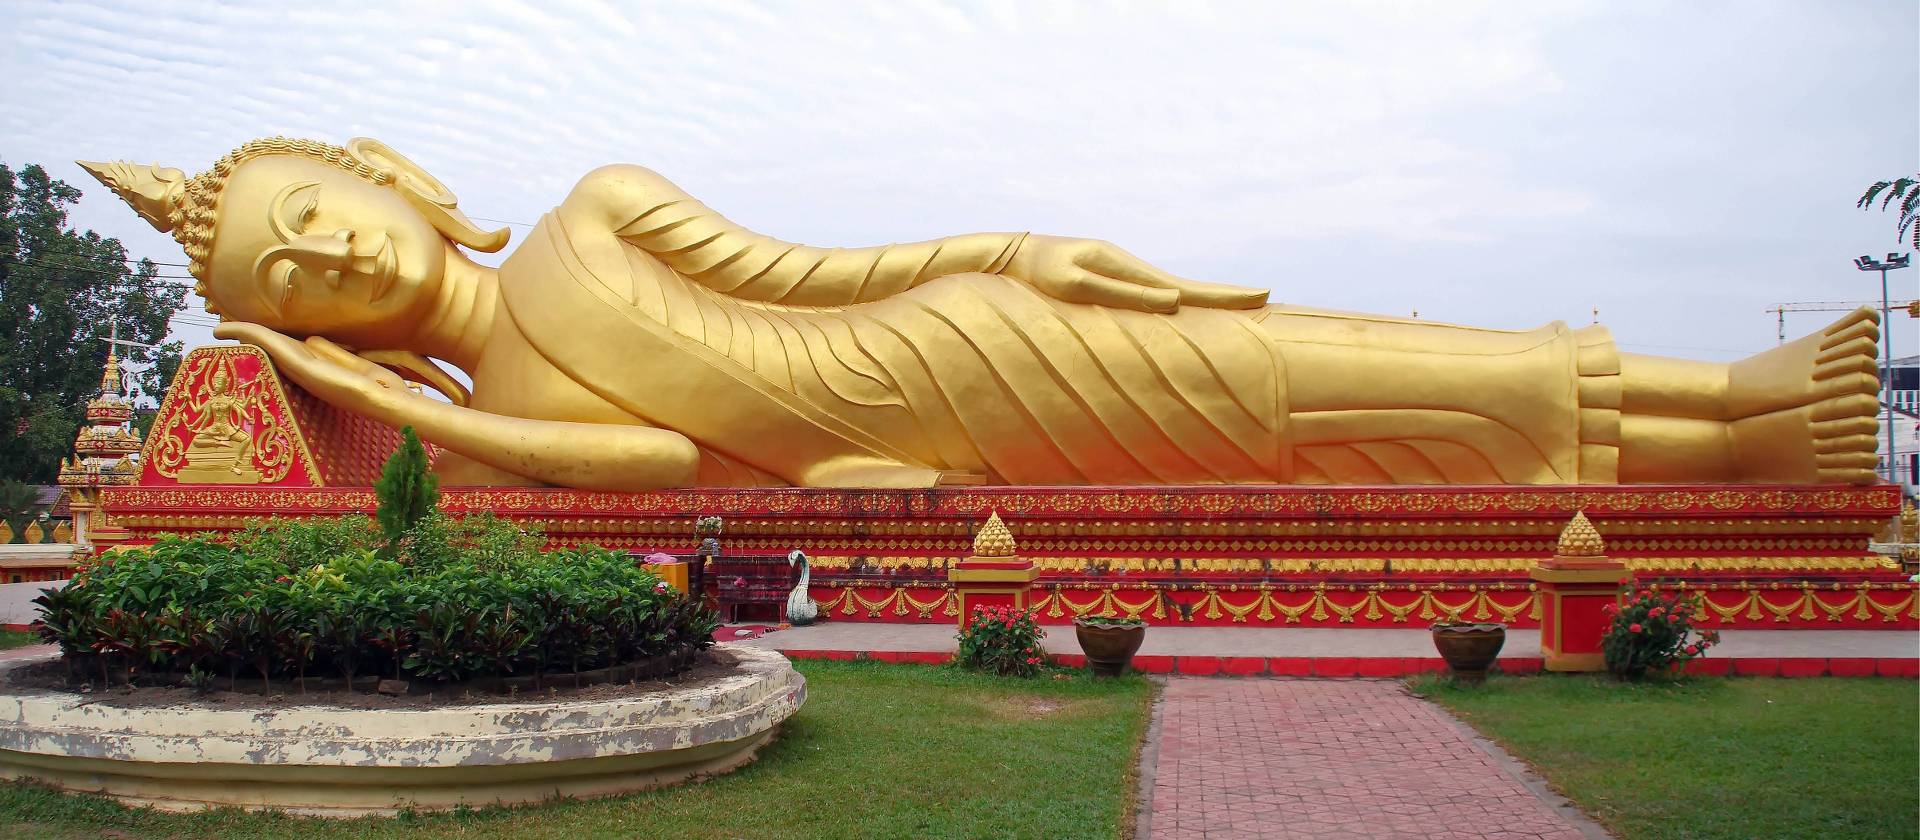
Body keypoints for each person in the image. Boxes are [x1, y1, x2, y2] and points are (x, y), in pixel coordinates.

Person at [82, 138, 1882, 490]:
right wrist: (408, 411)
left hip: (965, 335)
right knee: (1286, 442)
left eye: (320, 214)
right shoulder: (518, 400)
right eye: (293, 285)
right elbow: (652, 456)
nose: (330, 257)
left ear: (387, 174)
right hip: (927, 449)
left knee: (1295, 352)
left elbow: (810, 273)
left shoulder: (593, 208)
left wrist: (1025, 247)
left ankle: (1727, 392)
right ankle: (1734, 449)